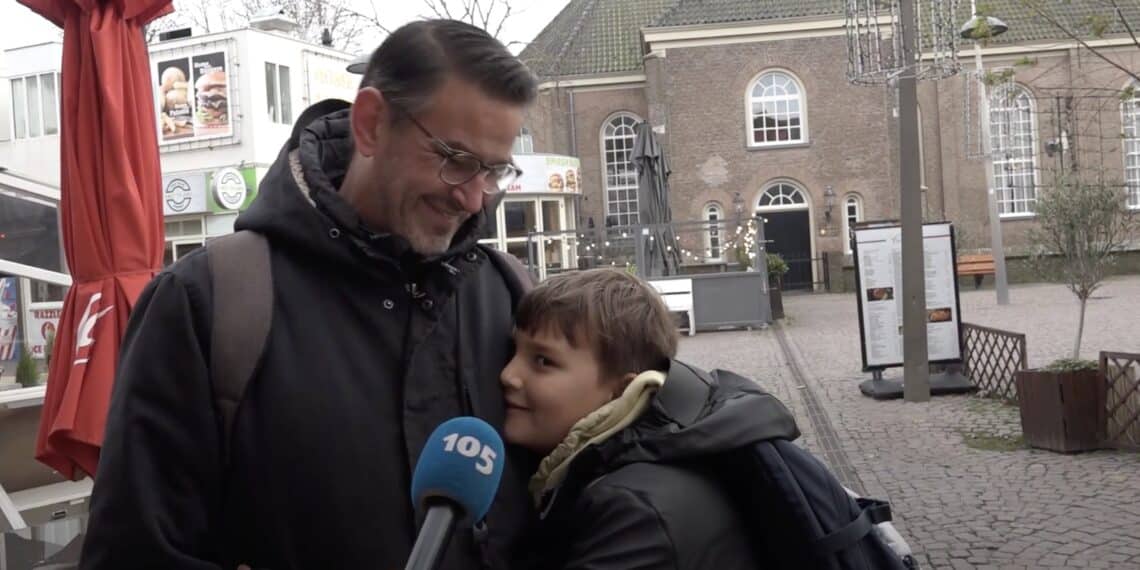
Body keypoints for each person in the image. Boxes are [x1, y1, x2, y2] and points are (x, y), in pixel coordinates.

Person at [80, 20, 539, 570]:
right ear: (370, 124)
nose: (472, 198)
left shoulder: (511, 296)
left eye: (493, 171)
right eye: (455, 160)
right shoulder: (206, 305)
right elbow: (132, 553)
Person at [500, 269, 799, 570]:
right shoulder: (631, 463)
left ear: (620, 389)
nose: (508, 375)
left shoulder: (634, 512)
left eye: (543, 361)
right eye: (514, 351)